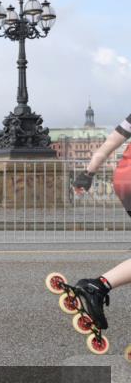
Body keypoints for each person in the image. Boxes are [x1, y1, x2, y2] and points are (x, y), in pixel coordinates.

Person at [65, 113, 131, 333]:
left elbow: (112, 141)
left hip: (125, 178)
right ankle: (97, 286)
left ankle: (98, 286)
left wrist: (88, 173)